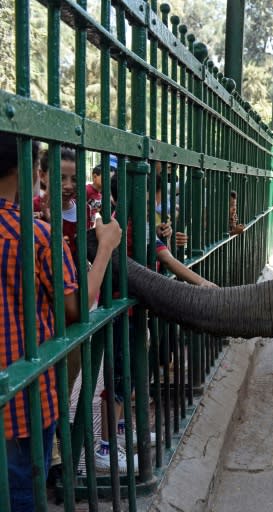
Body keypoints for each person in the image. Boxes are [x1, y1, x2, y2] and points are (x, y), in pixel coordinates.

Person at [0, 133, 121, 511]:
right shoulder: (34, 234)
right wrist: (104, 248)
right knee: (21, 494)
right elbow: (77, 308)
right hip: (22, 401)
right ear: (31, 169)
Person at [94, 172, 216, 472]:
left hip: (131, 308)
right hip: (124, 311)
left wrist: (163, 237)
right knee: (121, 379)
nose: (157, 201)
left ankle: (121, 431)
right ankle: (106, 449)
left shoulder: (126, 219)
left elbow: (159, 252)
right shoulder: (130, 222)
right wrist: (204, 284)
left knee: (130, 374)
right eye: (154, 195)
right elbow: (166, 260)